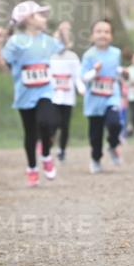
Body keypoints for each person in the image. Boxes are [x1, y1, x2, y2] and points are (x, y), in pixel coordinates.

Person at [0, 1, 63, 187]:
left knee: (47, 122)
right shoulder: (16, 42)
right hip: (24, 94)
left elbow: (63, 46)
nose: (44, 18)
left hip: (45, 90)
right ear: (29, 19)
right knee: (30, 133)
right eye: (40, 15)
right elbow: (1, 65)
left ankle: (46, 155)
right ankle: (32, 168)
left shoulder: (47, 40)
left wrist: (64, 33)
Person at [81, 19, 123, 173]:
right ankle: (96, 158)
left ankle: (113, 145)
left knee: (115, 123)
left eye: (106, 32)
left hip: (111, 95)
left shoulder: (116, 53)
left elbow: (116, 71)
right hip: (94, 99)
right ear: (92, 36)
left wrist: (123, 73)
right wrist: (95, 72)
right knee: (95, 135)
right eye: (99, 31)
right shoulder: (88, 55)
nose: (102, 35)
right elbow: (83, 77)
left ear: (111, 36)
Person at [50, 20, 85, 162]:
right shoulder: (50, 56)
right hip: (52, 96)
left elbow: (77, 76)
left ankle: (62, 150)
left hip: (67, 97)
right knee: (52, 123)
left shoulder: (72, 57)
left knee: (64, 125)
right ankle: (48, 141)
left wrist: (81, 88)